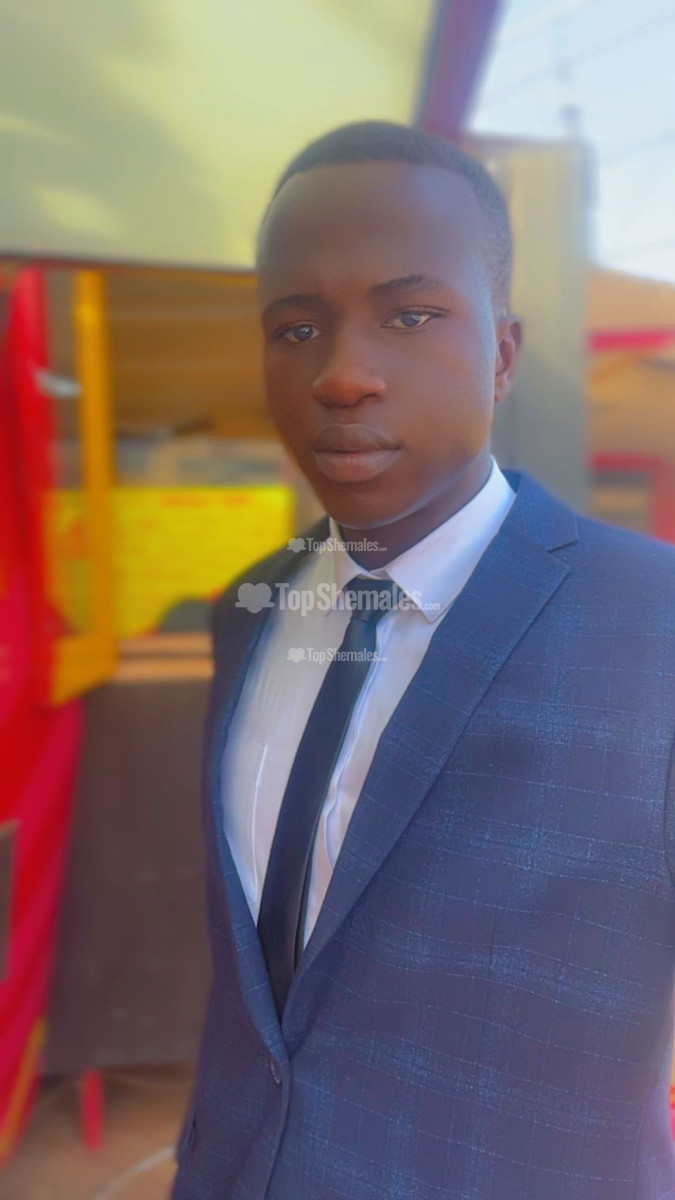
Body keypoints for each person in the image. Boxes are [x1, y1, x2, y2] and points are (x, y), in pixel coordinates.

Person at [171, 121, 675, 1200]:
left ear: (502, 352)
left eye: (409, 315)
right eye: (297, 327)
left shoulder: (655, 624)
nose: (343, 375)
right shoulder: (246, 614)